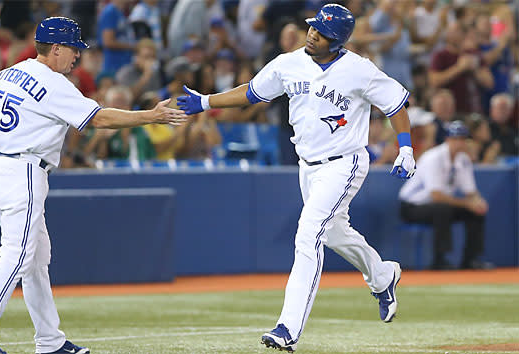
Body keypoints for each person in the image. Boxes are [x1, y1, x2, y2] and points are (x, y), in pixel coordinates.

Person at [178, 4, 415, 352]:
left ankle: (287, 328)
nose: (312, 34)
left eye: (321, 33)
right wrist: (205, 101)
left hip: (344, 163)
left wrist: (406, 148)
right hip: (308, 166)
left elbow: (396, 104)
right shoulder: (289, 62)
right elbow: (251, 92)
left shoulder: (358, 70)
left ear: (337, 41)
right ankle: (381, 275)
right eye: (313, 28)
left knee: (308, 236)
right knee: (333, 231)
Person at [0, 17, 186, 354]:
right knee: (17, 253)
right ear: (55, 48)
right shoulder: (53, 84)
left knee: (37, 256)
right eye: (73, 48)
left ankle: (50, 340)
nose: (77, 56)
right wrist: (150, 116)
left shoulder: (8, 73)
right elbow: (98, 119)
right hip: (23, 169)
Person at [399, 121, 492, 270]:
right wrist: (468, 203)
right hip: (412, 207)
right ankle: (439, 259)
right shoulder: (433, 157)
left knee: (475, 212)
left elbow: (470, 192)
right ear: (447, 140)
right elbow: (436, 195)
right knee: (443, 209)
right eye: (456, 139)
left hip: (439, 205)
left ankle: (471, 259)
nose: (459, 143)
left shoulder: (463, 159)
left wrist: (478, 202)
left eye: (462, 139)